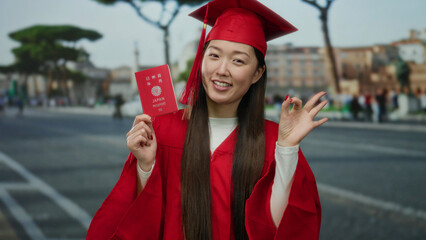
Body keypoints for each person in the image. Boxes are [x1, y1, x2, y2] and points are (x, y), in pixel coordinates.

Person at [87, 0, 327, 239]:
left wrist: (286, 149)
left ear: (257, 73)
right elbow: (139, 220)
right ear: (201, 59)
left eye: (238, 60)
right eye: (214, 55)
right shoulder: (162, 129)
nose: (222, 69)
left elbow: (281, 227)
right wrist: (145, 167)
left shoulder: (276, 139)